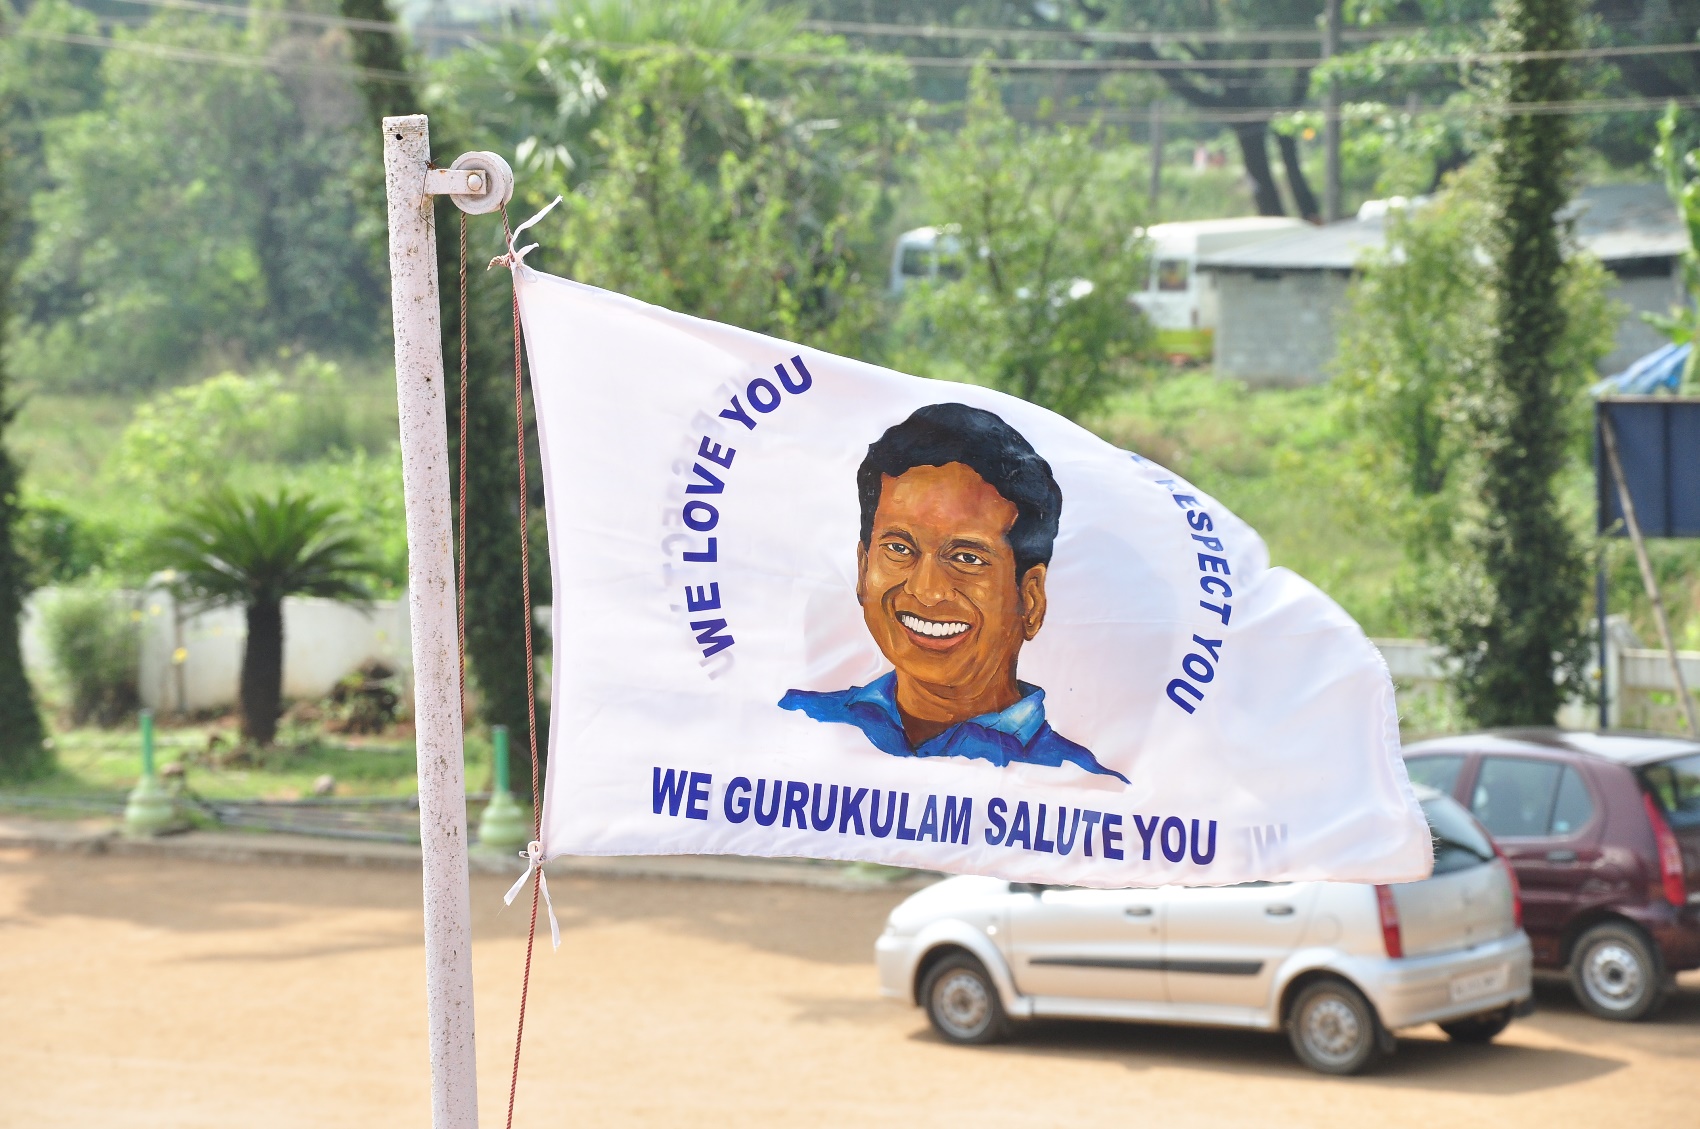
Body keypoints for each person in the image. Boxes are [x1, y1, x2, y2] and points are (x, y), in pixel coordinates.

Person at [780, 402, 1127, 783]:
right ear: (863, 571)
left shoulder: (1085, 795)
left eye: (966, 557)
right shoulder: (789, 726)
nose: (926, 591)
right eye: (898, 549)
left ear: (1030, 601)